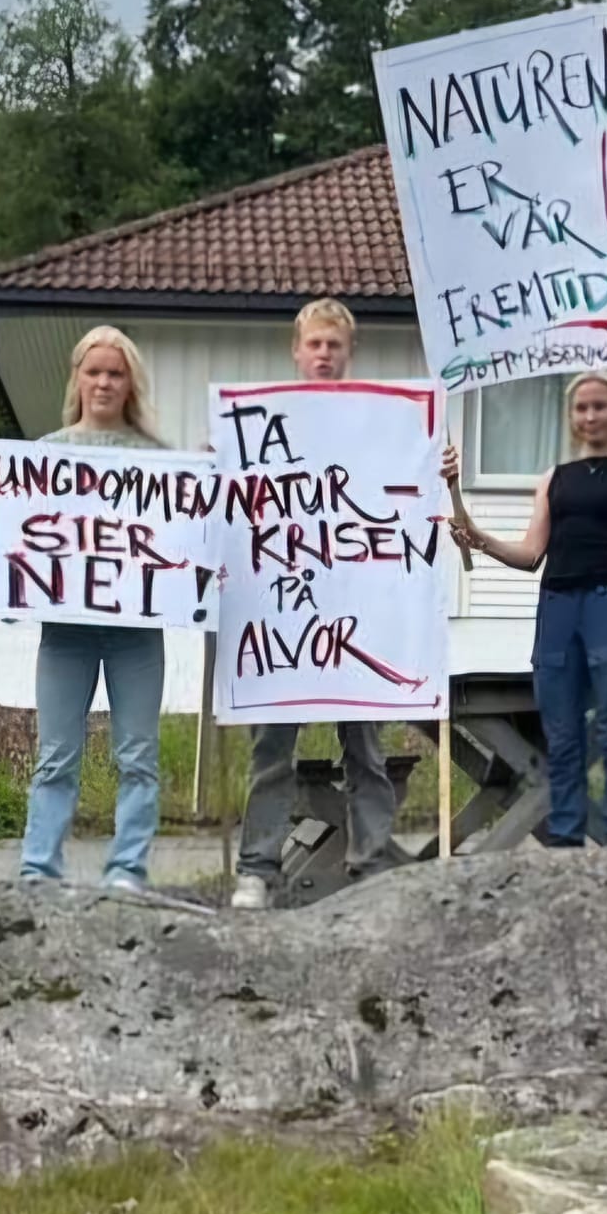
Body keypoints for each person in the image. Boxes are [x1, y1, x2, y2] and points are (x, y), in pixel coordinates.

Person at [230, 299, 405, 911]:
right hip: (282, 614)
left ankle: (373, 862)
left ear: (348, 353)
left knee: (365, 747)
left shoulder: (381, 423)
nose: (324, 354)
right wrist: (217, 458)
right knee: (272, 749)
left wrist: (441, 468)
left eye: (334, 345)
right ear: (296, 351)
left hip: (356, 611)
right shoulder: (259, 422)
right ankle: (258, 869)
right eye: (315, 344)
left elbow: (401, 504)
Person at [450, 372, 607, 846]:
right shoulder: (554, 479)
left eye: (599, 406)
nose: (589, 416)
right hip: (556, 608)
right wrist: (480, 540)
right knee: (562, 731)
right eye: (581, 408)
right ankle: (567, 842)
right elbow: (531, 555)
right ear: (572, 418)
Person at [19, 326, 170, 893]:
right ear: (77, 378)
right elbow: (20, 542)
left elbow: (180, 538)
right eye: (94, 371)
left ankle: (128, 867)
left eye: (115, 373)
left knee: (138, 756)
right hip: (65, 632)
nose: (104, 382)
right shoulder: (43, 456)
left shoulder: (159, 460)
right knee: (55, 755)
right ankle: (39, 867)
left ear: (130, 383)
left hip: (135, 632)